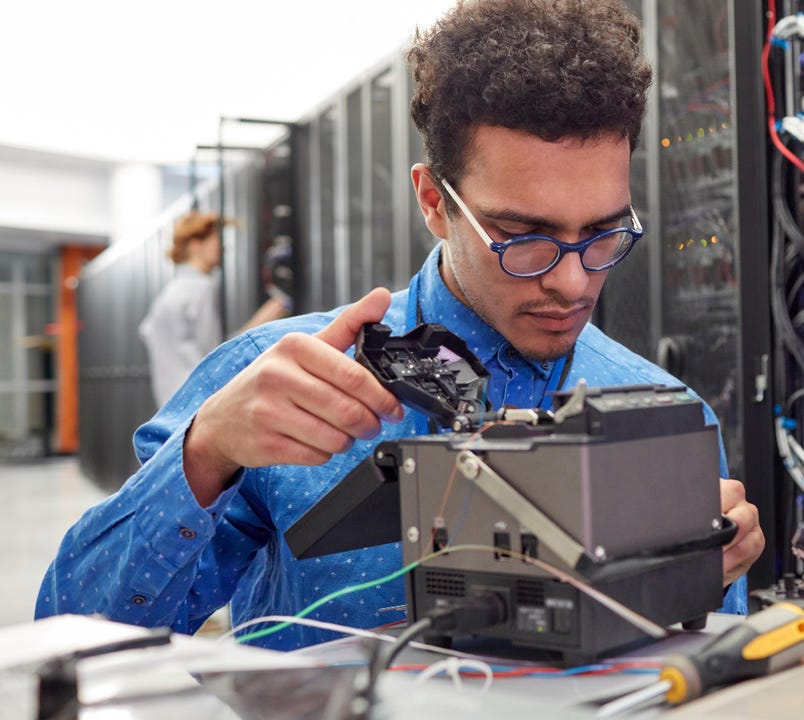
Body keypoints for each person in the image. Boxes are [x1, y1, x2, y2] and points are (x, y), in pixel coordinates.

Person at [37, 0, 765, 651]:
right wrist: (204, 455)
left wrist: (700, 578)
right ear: (433, 201)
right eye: (524, 238)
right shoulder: (281, 381)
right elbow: (73, 639)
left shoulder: (665, 411)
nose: (572, 280)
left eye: (602, 235)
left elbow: (698, 671)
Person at [138, 211, 289, 407]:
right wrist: (263, 320)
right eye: (215, 239)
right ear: (195, 245)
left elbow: (147, 331)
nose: (222, 247)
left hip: (171, 405)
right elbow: (216, 357)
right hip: (198, 405)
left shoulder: (171, 292)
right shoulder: (201, 288)